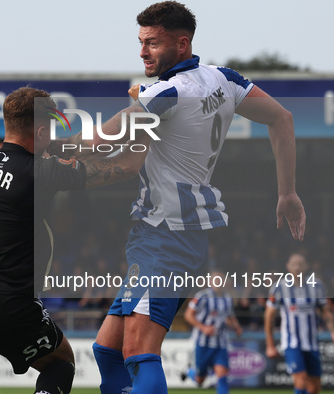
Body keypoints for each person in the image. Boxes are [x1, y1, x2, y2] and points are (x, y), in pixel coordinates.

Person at [61, 2, 307, 393]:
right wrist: (288, 191)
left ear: (182, 42)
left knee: (138, 352)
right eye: (140, 42)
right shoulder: (223, 79)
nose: (142, 51)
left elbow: (104, 141)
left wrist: (52, 151)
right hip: (166, 235)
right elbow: (283, 118)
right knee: (106, 348)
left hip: (167, 236)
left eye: (152, 43)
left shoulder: (168, 91)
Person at [0, 86, 149, 394]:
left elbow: (70, 146)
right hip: (8, 303)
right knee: (61, 361)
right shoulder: (41, 171)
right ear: (42, 130)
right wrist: (148, 114)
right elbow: (126, 165)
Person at [265, 253, 334, 394]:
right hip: (292, 343)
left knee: (314, 388)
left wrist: (333, 331)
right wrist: (270, 345)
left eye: (301, 264)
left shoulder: (317, 285)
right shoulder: (279, 287)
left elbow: (326, 311)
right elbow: (269, 315)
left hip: (312, 342)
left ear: (306, 266)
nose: (297, 267)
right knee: (301, 379)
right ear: (288, 267)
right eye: (294, 264)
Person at [182, 271, 242, 393]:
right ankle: (189, 371)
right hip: (203, 343)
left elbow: (230, 316)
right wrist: (203, 327)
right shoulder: (202, 296)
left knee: (222, 375)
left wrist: (237, 326)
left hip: (221, 343)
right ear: (210, 281)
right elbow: (188, 315)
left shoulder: (228, 298)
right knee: (200, 380)